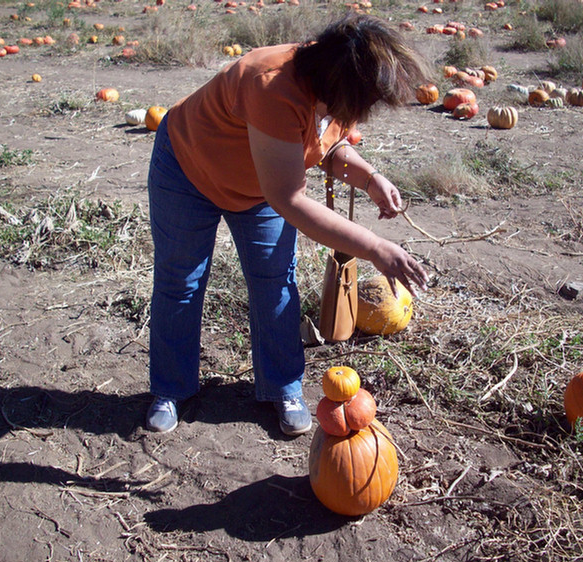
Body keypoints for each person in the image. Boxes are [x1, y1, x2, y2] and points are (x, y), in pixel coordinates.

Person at [145, 13, 431, 436]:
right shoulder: (272, 85)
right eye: (365, 104)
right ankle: (170, 388)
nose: (365, 115)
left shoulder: (337, 87)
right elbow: (288, 198)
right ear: (340, 83)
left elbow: (327, 146)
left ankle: (283, 386)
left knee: (274, 280)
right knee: (181, 280)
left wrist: (370, 178)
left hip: (257, 186)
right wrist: (375, 247)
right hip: (187, 170)